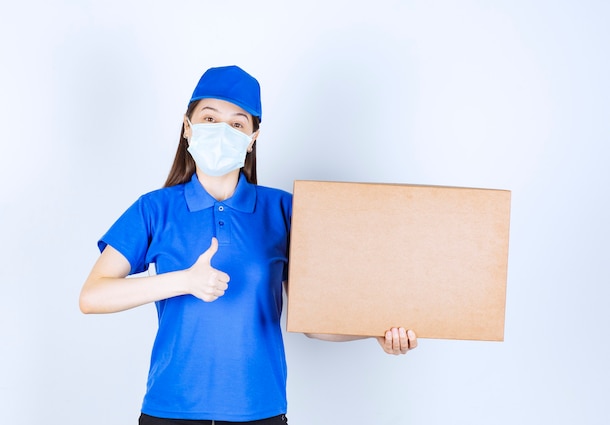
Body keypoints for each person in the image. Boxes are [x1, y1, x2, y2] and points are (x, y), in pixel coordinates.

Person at [79, 65, 418, 425]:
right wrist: (182, 281)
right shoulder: (154, 209)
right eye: (209, 118)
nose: (222, 131)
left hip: (260, 411)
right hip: (171, 409)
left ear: (253, 137)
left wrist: (377, 330)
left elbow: (313, 321)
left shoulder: (284, 210)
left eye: (237, 124)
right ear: (187, 126)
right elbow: (92, 296)